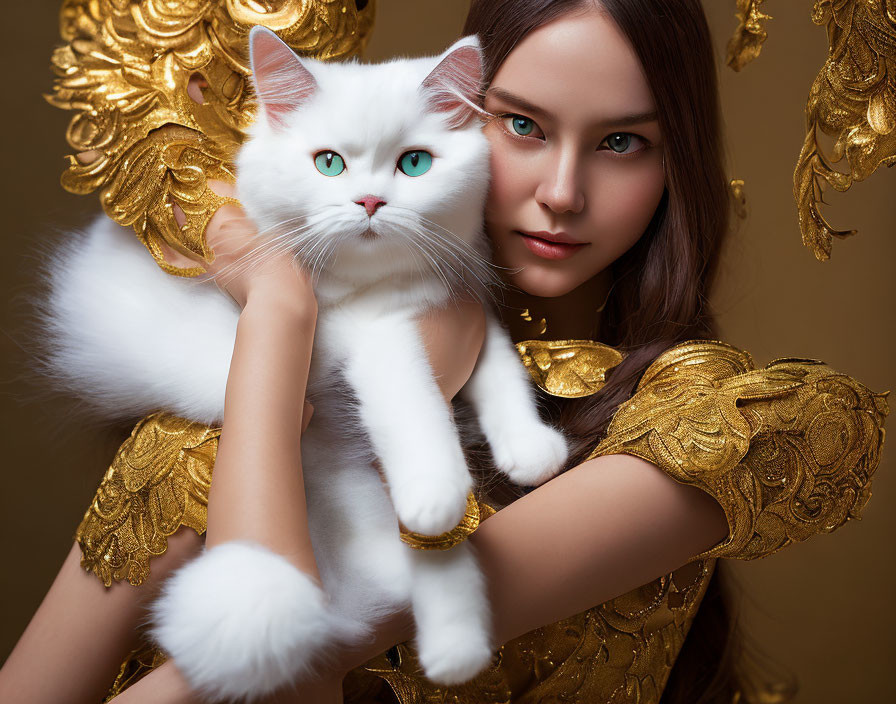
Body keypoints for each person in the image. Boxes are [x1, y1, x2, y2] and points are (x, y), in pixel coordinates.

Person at [0, 1, 886, 703]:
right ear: (454, 116)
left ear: (677, 164)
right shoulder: (219, 391)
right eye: (524, 127)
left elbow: (280, 675)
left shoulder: (717, 421)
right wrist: (279, 306)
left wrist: (292, 322)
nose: (563, 193)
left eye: (623, 142)